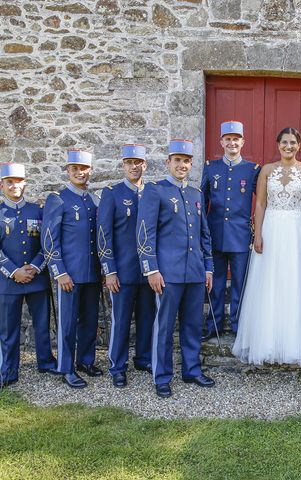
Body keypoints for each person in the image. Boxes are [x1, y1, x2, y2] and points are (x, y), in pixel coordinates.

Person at [232, 127, 301, 376]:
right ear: (278, 144)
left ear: (299, 144)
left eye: (293, 142)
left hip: (297, 229)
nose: (289, 146)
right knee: (270, 284)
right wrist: (258, 234)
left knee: (296, 284)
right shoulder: (267, 170)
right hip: (271, 229)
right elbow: (260, 203)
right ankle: (269, 342)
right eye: (284, 142)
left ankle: (296, 344)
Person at [136, 139, 215, 398]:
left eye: (186, 161)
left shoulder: (195, 194)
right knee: (164, 326)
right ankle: (162, 376)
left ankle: (192, 370)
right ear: (168, 163)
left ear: (191, 164)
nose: (182, 165)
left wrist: (208, 268)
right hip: (167, 273)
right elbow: (145, 232)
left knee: (192, 325)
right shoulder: (155, 191)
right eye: (177, 160)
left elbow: (204, 235)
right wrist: (151, 270)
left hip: (193, 271)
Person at [0, 163, 57, 390]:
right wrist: (15, 271)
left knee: (42, 326)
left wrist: (34, 267)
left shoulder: (38, 211)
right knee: (8, 330)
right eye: (10, 182)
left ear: (25, 184)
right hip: (8, 282)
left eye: (19, 182)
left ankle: (45, 362)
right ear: (2, 185)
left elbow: (47, 244)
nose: (15, 186)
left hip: (37, 279)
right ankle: (7, 371)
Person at [42, 150, 102, 389]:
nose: (80, 172)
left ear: (90, 171)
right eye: (75, 168)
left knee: (89, 320)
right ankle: (66, 367)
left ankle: (85, 360)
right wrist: (60, 272)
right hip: (69, 274)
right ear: (68, 171)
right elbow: (49, 240)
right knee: (67, 323)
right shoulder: (58, 199)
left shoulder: (94, 200)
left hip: (92, 273)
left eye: (84, 168)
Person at [97, 144, 155, 388]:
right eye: (129, 162)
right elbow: (103, 234)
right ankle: (117, 366)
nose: (134, 166)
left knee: (147, 318)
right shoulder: (112, 193)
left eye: (138, 162)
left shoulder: (152, 192)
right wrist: (109, 270)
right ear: (123, 165)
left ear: (145, 165)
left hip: (149, 271)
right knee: (121, 321)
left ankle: (142, 358)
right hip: (122, 271)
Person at [201, 121, 260, 340]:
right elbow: (202, 201)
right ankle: (213, 324)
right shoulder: (211, 167)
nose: (232, 142)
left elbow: (262, 201)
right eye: (228, 139)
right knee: (215, 283)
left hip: (241, 236)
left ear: (242, 142)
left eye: (236, 139)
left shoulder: (252, 170)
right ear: (221, 142)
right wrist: (202, 232)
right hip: (215, 235)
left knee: (239, 283)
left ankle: (238, 324)